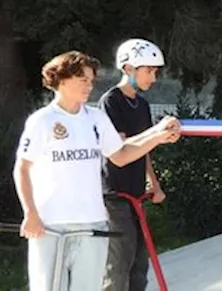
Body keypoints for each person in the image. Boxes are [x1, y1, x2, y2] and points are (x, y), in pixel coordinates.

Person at [15, 51, 181, 291]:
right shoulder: (42, 121)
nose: (89, 86)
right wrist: (30, 213)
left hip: (93, 224)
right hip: (50, 226)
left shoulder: (96, 118)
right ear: (62, 80)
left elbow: (121, 154)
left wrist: (159, 136)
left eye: (91, 80)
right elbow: (22, 168)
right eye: (83, 80)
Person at [100, 39, 169, 291]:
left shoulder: (143, 105)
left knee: (141, 263)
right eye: (149, 71)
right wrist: (156, 135)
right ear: (129, 69)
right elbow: (120, 147)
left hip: (137, 193)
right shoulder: (111, 102)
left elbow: (145, 148)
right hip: (115, 195)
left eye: (155, 72)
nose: (153, 77)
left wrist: (154, 182)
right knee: (119, 264)